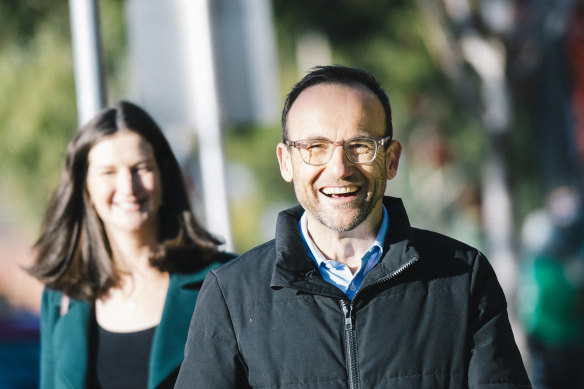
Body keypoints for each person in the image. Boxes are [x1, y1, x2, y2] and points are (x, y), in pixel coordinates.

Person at [174, 65, 531, 388]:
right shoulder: (231, 296)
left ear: (391, 160)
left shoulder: (463, 278)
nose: (339, 169)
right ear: (286, 162)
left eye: (360, 146)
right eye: (315, 147)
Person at [27, 101, 234, 389]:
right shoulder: (61, 298)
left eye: (140, 168)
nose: (128, 187)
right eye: (108, 172)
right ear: (85, 187)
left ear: (163, 176)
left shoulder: (224, 281)